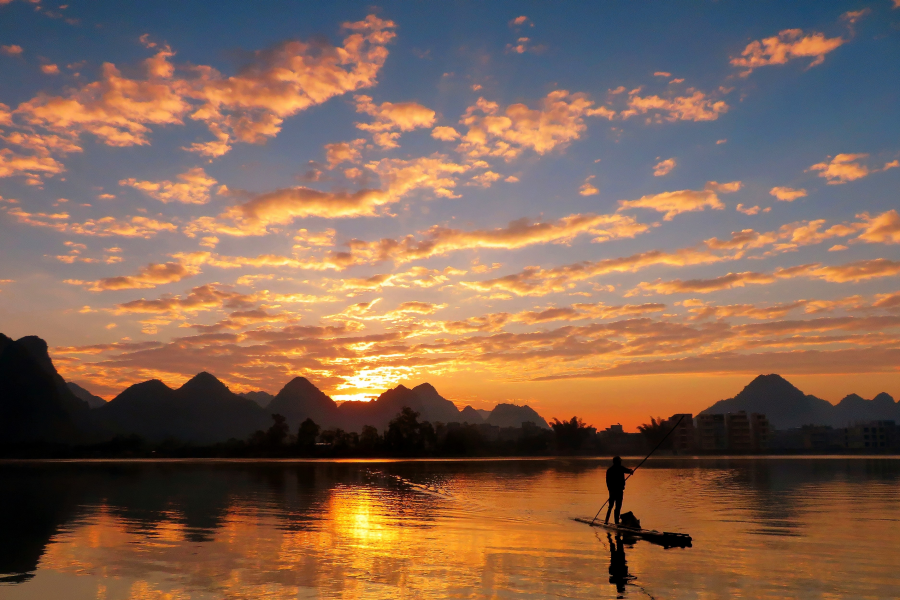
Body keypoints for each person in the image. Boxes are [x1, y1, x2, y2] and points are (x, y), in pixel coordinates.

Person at [604, 456, 633, 525]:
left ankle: (616, 522)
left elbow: (627, 470)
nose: (620, 462)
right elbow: (608, 482)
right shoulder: (610, 470)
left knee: (618, 507)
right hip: (613, 492)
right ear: (617, 462)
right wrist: (611, 491)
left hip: (619, 491)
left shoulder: (621, 468)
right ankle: (606, 521)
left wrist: (630, 471)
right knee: (611, 506)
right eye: (619, 461)